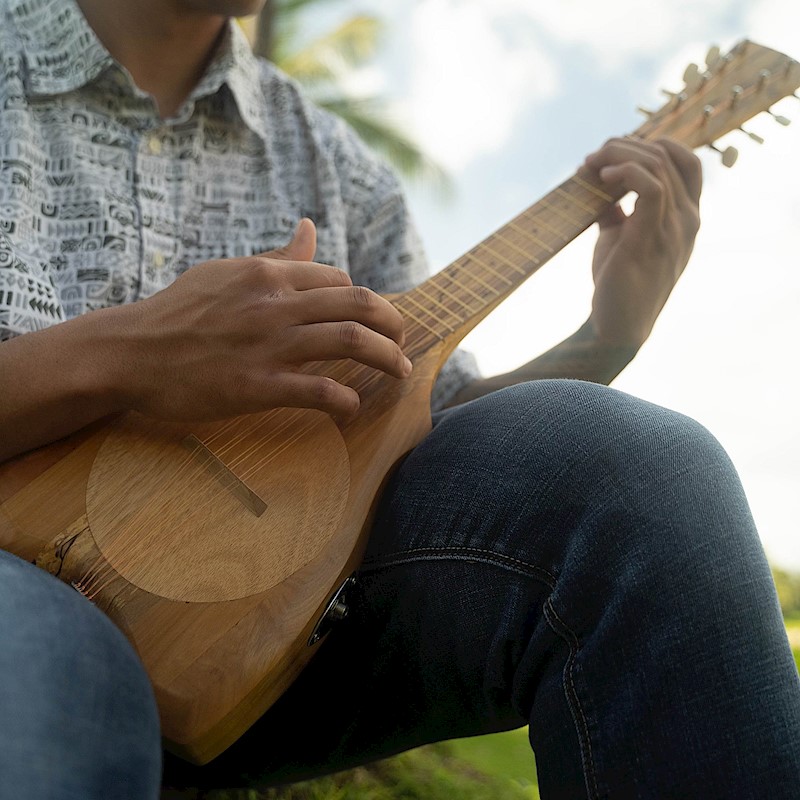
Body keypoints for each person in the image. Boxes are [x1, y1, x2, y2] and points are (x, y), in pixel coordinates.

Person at [0, 1, 797, 798]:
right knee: (55, 692)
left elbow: (449, 444)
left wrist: (605, 339)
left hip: (284, 631)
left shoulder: (346, 173)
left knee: (649, 474)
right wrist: (136, 350)